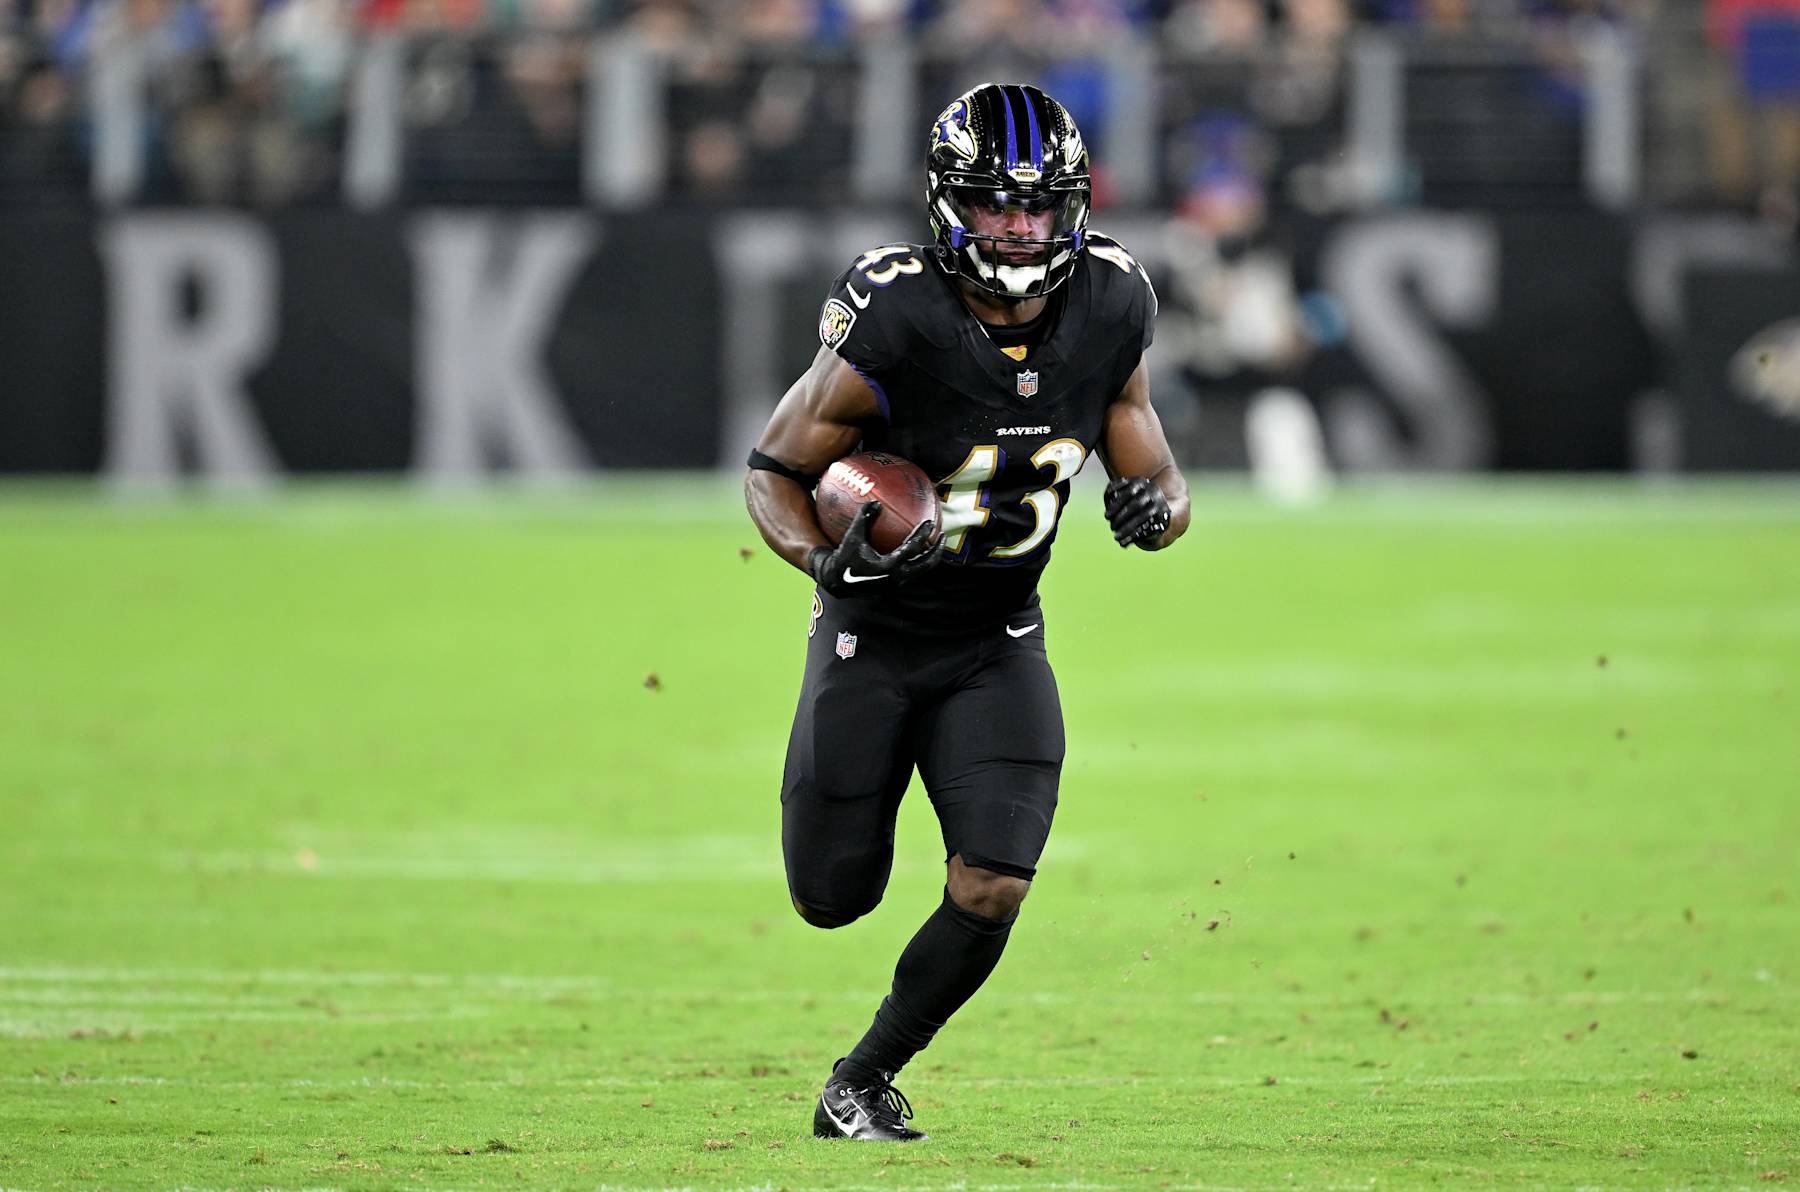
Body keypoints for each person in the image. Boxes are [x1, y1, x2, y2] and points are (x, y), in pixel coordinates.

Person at [743, 82, 1191, 1142]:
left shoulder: (1114, 301)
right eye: (997, 206)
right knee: (830, 896)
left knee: (993, 882)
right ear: (951, 205)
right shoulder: (896, 311)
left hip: (997, 641)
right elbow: (771, 470)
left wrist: (1152, 510)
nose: (1022, 228)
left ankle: (861, 1078)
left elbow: (1160, 475)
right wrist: (822, 561)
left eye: (1039, 207)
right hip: (876, 634)